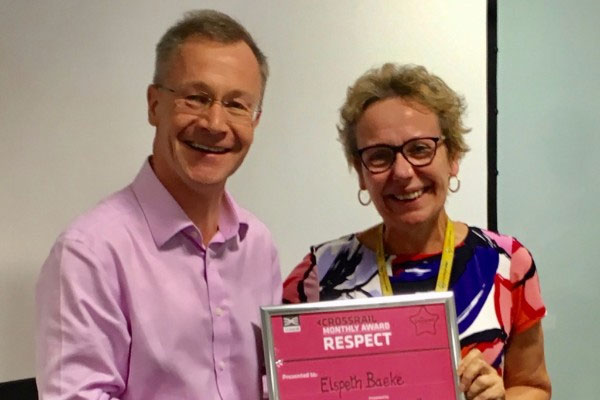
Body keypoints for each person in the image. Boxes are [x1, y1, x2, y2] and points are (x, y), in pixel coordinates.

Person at [36, 10, 281, 400]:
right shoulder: (90, 253)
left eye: (237, 105)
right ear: (154, 105)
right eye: (196, 98)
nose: (215, 123)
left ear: (256, 120)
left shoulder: (259, 246)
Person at [283, 63, 551, 399]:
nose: (403, 171)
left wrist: (499, 397)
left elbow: (533, 386)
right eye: (379, 156)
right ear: (361, 172)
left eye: (420, 149)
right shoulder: (318, 274)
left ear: (452, 156)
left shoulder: (508, 264)